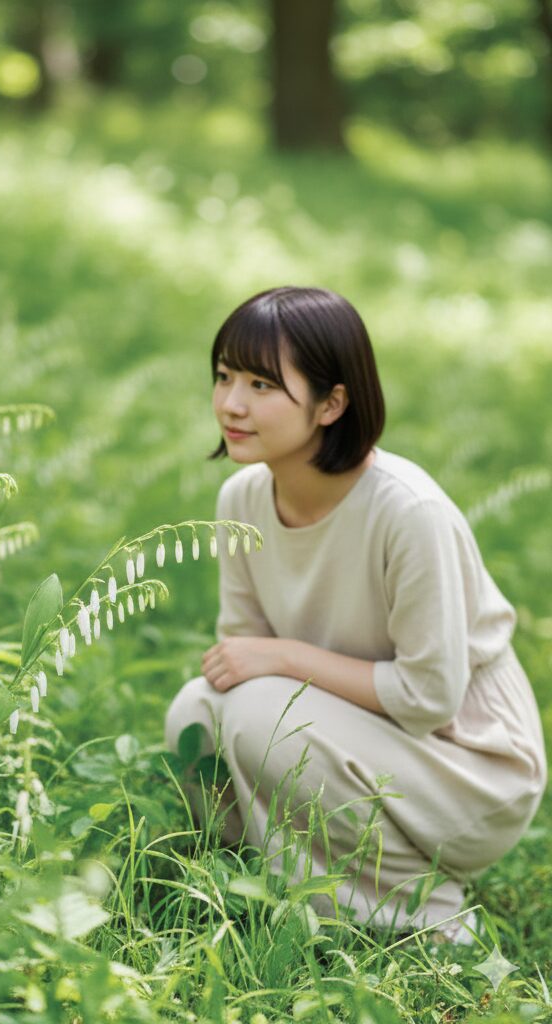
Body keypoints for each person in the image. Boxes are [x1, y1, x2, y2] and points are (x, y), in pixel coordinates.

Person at [164, 286, 546, 941]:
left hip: (466, 767)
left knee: (258, 716)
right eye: (224, 376)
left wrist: (284, 658)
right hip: (353, 737)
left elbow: (430, 698)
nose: (230, 403)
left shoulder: (408, 513)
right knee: (196, 715)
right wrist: (268, 666)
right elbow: (240, 659)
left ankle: (423, 913)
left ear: (332, 403)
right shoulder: (241, 499)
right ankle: (279, 882)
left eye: (261, 384)